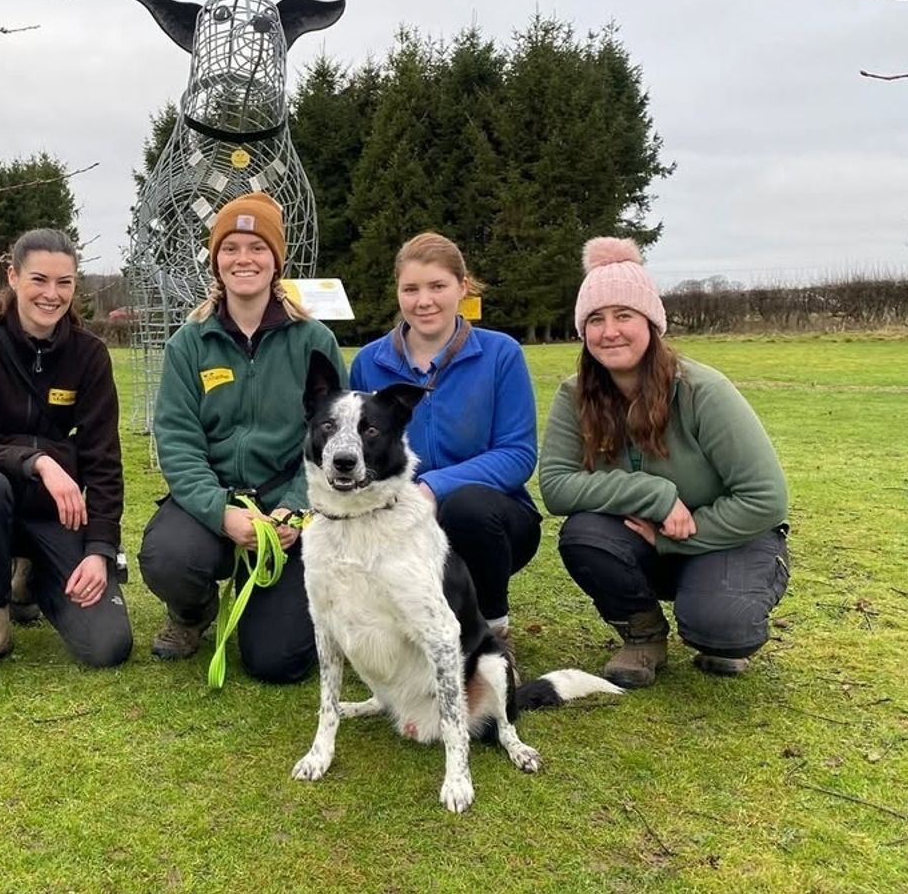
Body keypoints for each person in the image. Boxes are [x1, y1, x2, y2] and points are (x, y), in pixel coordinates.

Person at [539, 237, 791, 687]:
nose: (609, 330)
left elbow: (766, 498)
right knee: (584, 534)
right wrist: (655, 495)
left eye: (624, 316)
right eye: (595, 319)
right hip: (642, 536)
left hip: (726, 538)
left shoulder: (702, 390)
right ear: (583, 330)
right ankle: (643, 637)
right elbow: (556, 486)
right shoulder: (573, 394)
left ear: (651, 322)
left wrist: (673, 537)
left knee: (723, 627)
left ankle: (716, 629)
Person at [138, 192, 347, 684]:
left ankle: (304, 606)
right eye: (230, 248)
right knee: (167, 556)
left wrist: (299, 508)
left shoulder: (315, 341)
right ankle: (192, 614)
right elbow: (178, 441)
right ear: (216, 261)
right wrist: (219, 511)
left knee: (277, 661)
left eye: (257, 247)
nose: (243, 259)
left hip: (286, 508)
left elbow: (335, 438)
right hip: (214, 499)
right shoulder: (189, 343)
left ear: (277, 260)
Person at [0, 228, 132, 682]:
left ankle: (31, 576)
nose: (52, 294)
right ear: (13, 277)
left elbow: (104, 461)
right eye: (39, 279)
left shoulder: (90, 355)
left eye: (65, 282)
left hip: (52, 515)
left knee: (107, 644)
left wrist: (99, 549)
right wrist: (38, 462)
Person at [349, 232, 540, 644]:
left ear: (462, 287)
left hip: (491, 522)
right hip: (398, 521)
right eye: (411, 289)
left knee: (466, 506)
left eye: (438, 286)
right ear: (398, 292)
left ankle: (490, 629)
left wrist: (433, 487)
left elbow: (518, 453)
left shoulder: (501, 354)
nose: (424, 301)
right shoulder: (368, 362)